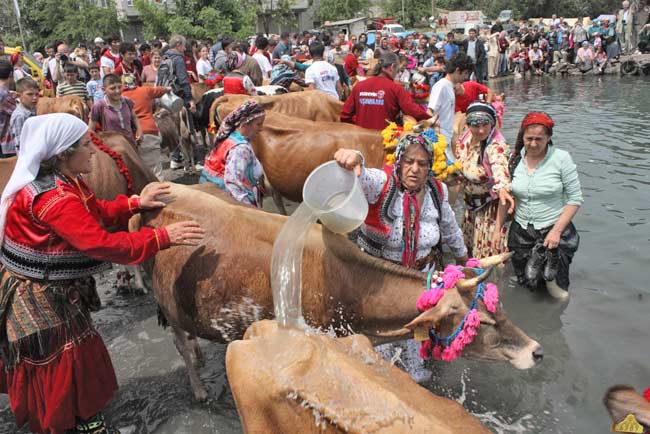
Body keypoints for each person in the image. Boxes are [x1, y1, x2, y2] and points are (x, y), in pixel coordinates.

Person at [0, 113, 204, 434]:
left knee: (77, 354)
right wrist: (162, 237)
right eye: (85, 145)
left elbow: (97, 210)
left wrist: (135, 201)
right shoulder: (55, 198)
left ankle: (79, 415)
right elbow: (103, 244)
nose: (94, 151)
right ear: (63, 154)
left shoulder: (66, 183)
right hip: (39, 296)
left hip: (53, 287)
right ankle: (70, 422)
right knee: (62, 359)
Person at [334, 133, 468, 271]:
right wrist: (355, 158)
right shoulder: (382, 183)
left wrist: (462, 257)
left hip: (423, 274)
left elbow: (450, 228)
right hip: (379, 276)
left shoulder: (437, 190)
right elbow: (363, 176)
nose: (415, 169)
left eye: (422, 164)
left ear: (429, 166)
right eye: (409, 162)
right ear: (398, 162)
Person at [493, 112, 583, 299]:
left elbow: (574, 199)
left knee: (555, 286)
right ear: (522, 137)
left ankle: (552, 323)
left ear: (548, 138)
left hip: (553, 229)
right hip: (521, 232)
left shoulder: (561, 159)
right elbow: (506, 196)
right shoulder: (514, 159)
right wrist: (497, 228)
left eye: (539, 139)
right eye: (529, 138)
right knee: (526, 283)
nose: (533, 144)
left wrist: (556, 231)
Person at [455, 102, 513, 257]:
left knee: (487, 258)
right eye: (474, 125)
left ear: (492, 123)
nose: (480, 130)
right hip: (470, 206)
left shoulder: (495, 146)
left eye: (485, 125)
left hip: (490, 211)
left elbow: (499, 169)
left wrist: (502, 188)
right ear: (467, 124)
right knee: (466, 254)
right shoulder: (465, 138)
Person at [341, 51, 431, 130]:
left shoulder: (359, 86)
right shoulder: (396, 89)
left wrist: (359, 128)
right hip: (385, 143)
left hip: (361, 142)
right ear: (392, 67)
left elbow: (344, 116)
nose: (397, 73)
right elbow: (413, 111)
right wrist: (430, 119)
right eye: (397, 69)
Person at [200, 101, 265, 207]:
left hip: (213, 195)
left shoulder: (230, 137)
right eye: (258, 124)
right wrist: (249, 209)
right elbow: (232, 182)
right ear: (245, 122)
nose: (261, 128)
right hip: (229, 202)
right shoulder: (240, 149)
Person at [428, 52, 474, 160]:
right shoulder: (441, 86)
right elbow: (429, 112)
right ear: (458, 70)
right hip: (440, 141)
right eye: (465, 73)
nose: (466, 77)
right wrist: (436, 137)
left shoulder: (450, 87)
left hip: (448, 139)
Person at [122, 79, 170, 180]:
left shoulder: (119, 96)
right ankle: (159, 193)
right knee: (155, 170)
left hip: (128, 137)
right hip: (148, 131)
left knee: (137, 171)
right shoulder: (144, 90)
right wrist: (168, 89)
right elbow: (162, 90)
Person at [89, 74, 142, 147]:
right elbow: (91, 130)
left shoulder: (127, 101)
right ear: (104, 90)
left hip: (130, 143)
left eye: (119, 87)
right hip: (113, 146)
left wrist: (139, 130)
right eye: (112, 88)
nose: (117, 91)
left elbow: (134, 118)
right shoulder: (99, 106)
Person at [9, 77, 38, 152]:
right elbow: (20, 143)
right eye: (30, 94)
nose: (35, 97)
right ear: (19, 96)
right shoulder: (19, 116)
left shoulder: (32, 108)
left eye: (36, 94)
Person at [0, 59, 16, 158]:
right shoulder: (4, 95)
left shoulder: (5, 93)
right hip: (6, 142)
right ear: (10, 74)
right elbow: (17, 112)